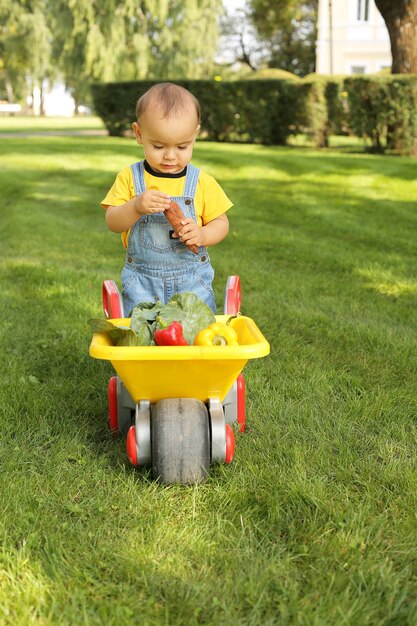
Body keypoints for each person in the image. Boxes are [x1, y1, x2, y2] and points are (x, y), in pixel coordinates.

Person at [101, 82, 232, 315]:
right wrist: (136, 206)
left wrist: (202, 234)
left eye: (182, 146)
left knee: (195, 337)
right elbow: (113, 221)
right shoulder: (130, 177)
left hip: (192, 283)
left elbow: (221, 224)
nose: (170, 156)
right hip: (142, 283)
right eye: (159, 146)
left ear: (195, 136)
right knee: (143, 337)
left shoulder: (202, 182)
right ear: (139, 134)